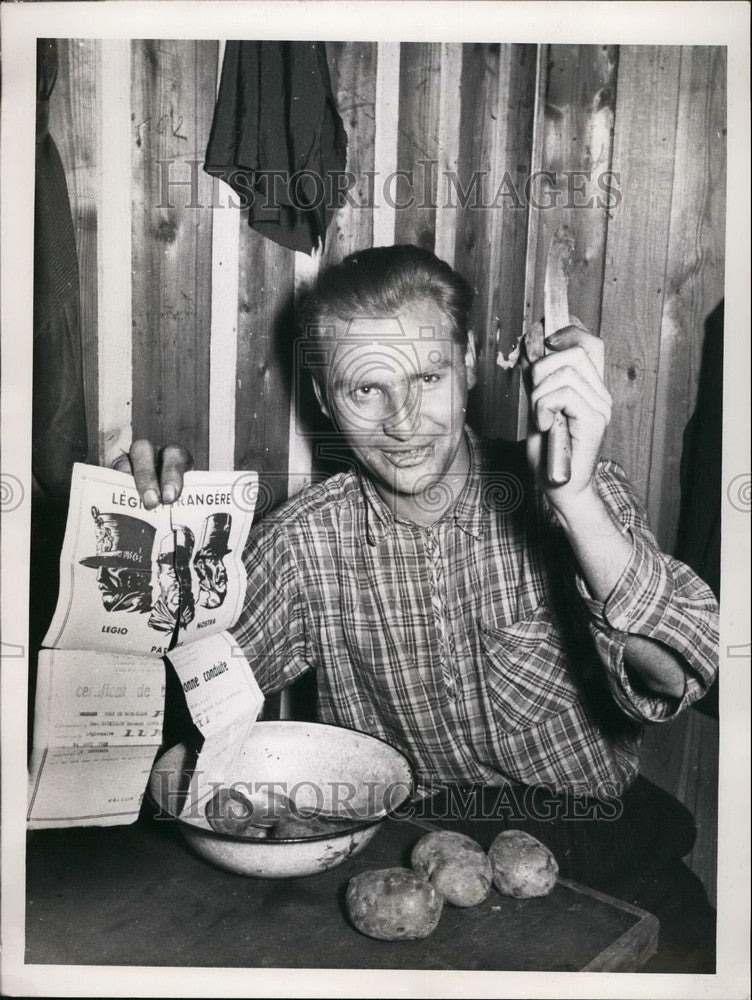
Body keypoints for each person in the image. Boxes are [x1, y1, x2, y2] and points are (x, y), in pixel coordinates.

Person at [119, 245, 719, 971]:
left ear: (467, 363)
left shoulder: (577, 497)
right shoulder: (306, 542)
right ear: (321, 398)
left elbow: (683, 669)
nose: (402, 422)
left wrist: (575, 501)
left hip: (607, 853)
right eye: (364, 390)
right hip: (411, 868)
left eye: (427, 377)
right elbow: (157, 710)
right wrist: (142, 565)